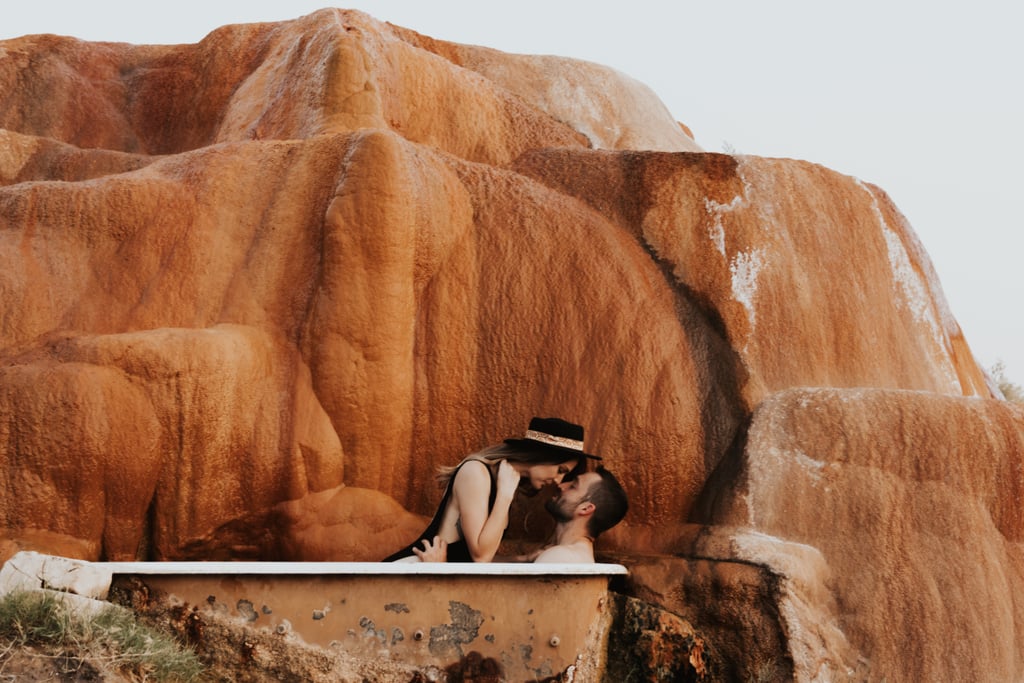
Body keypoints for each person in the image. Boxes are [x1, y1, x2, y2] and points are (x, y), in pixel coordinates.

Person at [383, 417, 601, 562]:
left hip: (432, 575)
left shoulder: (500, 481)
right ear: (542, 455)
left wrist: (523, 561)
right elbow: (480, 555)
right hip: (407, 573)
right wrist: (505, 495)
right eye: (560, 469)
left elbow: (473, 560)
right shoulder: (476, 473)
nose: (558, 480)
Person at [414, 466, 629, 563]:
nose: (561, 485)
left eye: (573, 486)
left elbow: (503, 613)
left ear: (585, 509)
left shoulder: (561, 558)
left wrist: (436, 571)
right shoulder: (562, 554)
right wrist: (521, 559)